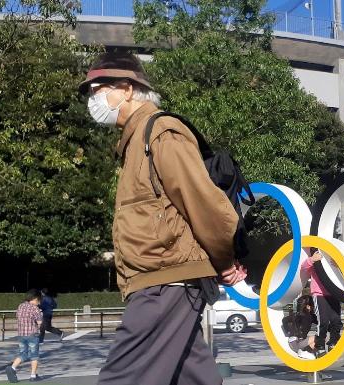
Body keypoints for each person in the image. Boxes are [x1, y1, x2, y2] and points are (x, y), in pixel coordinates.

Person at [79, 52, 246, 385]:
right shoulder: (134, 143)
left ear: (126, 88)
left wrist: (223, 260)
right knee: (193, 377)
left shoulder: (161, 132)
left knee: (122, 377)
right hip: (164, 280)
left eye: (96, 89)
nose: (91, 100)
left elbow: (205, 204)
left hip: (166, 281)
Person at [300, 248, 343, 352]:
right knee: (323, 320)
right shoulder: (317, 258)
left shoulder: (333, 258)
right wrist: (312, 259)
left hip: (334, 293)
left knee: (336, 320)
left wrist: (339, 266)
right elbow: (304, 268)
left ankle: (333, 342)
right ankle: (320, 345)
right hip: (319, 293)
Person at [6, 289, 44, 383]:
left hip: (21, 334)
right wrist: (40, 315)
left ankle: (13, 367)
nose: (39, 303)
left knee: (23, 353)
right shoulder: (35, 308)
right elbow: (40, 322)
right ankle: (33, 376)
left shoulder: (21, 306)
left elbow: (18, 317)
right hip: (32, 334)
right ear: (35, 299)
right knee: (34, 355)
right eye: (39, 300)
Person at [282, 295, 319, 359]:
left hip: (292, 343)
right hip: (298, 343)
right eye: (312, 306)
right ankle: (304, 351)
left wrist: (288, 332)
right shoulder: (310, 316)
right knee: (319, 338)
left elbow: (284, 320)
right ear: (308, 306)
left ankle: (308, 352)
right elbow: (320, 322)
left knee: (316, 340)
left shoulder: (295, 315)